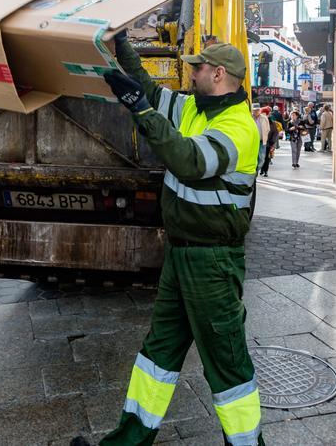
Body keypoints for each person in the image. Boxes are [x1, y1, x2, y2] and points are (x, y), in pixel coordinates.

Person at [81, 37, 264, 446]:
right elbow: (147, 90)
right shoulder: (193, 108)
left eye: (197, 68)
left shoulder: (238, 128)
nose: (191, 72)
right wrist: (122, 47)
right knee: (158, 352)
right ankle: (128, 441)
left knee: (228, 366)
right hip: (182, 256)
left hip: (213, 264)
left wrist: (140, 110)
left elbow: (186, 159)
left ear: (219, 75)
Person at [259, 106, 279, 177]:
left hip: (267, 143)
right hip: (259, 142)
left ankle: (265, 171)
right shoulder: (258, 121)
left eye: (265, 114)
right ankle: (261, 169)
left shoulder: (272, 123)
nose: (263, 116)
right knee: (260, 157)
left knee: (266, 157)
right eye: (262, 114)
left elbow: (275, 133)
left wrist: (272, 142)